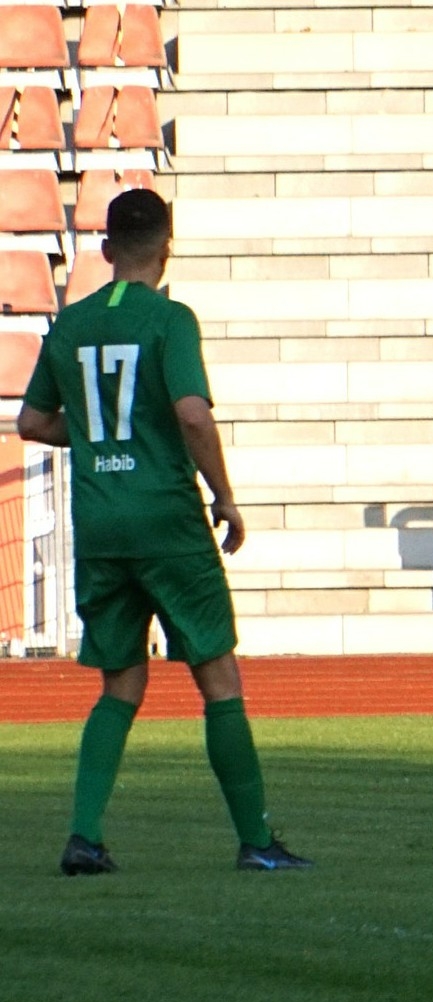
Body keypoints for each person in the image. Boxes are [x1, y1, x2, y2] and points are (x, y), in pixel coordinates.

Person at [17, 189, 314, 873]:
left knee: (120, 683)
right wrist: (225, 497)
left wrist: (96, 437)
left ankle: (84, 836)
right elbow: (192, 414)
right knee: (218, 677)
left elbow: (31, 422)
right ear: (168, 248)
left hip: (101, 525)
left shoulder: (70, 324)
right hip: (167, 520)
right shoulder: (171, 320)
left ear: (106, 249)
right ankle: (256, 841)